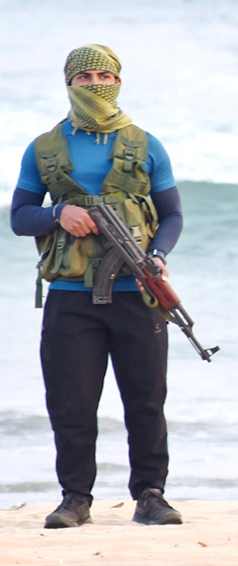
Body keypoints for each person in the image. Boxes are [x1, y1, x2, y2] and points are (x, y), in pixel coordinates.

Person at [9, 44, 185, 528]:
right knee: (72, 401)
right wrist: (58, 213)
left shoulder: (146, 145)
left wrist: (158, 256)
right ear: (69, 84)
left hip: (137, 294)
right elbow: (20, 217)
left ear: (119, 82)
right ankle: (75, 499)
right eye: (84, 78)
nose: (94, 85)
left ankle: (150, 494)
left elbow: (172, 216)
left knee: (146, 400)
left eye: (104, 76)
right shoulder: (44, 148)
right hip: (70, 299)